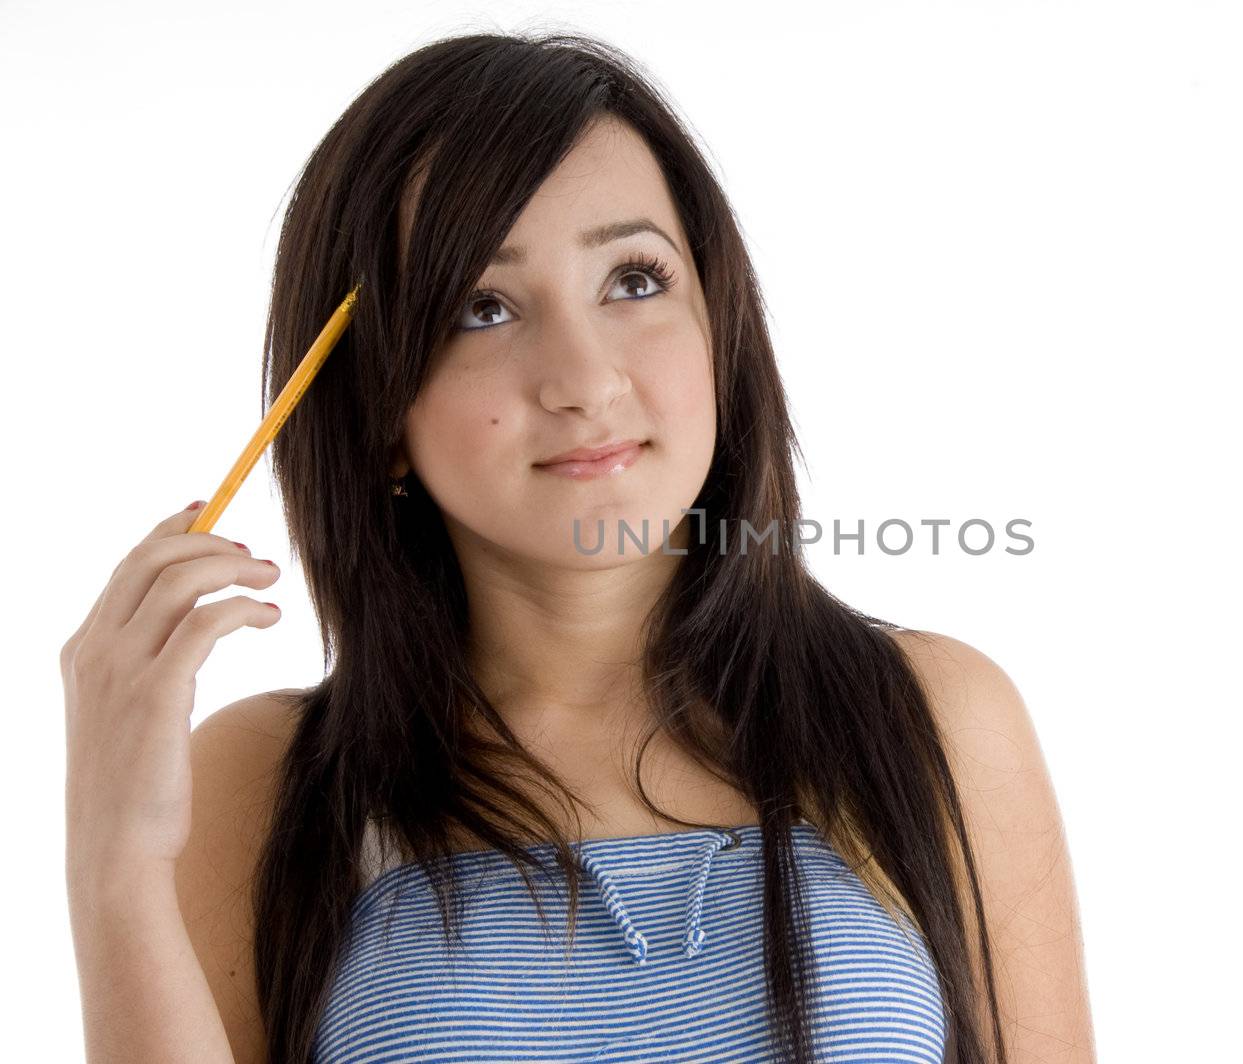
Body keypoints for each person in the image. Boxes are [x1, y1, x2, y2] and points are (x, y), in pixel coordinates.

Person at [61, 30, 1093, 1064]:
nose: (584, 378)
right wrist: (114, 864)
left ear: (717, 324)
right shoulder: (267, 782)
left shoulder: (934, 719)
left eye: (633, 280)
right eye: (484, 305)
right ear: (375, 410)